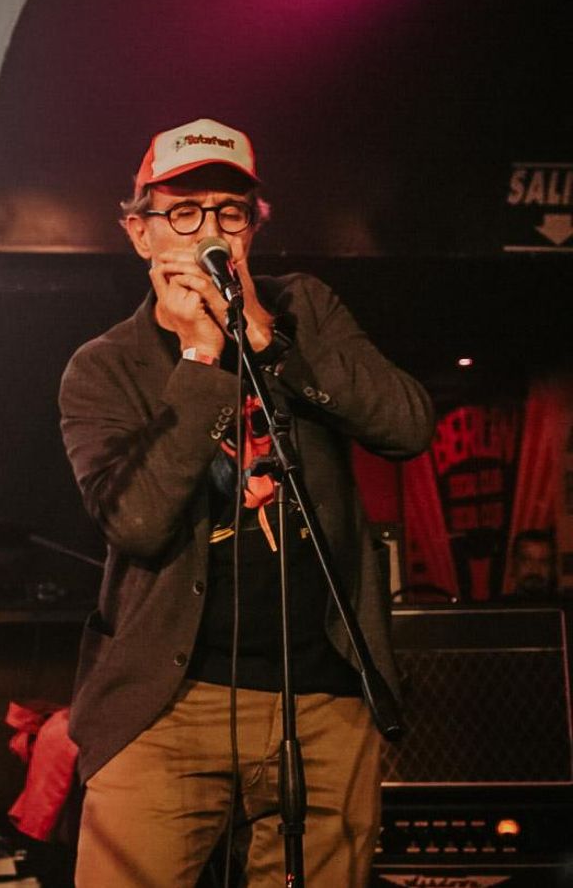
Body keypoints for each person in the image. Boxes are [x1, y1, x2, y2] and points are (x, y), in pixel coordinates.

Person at [57, 118, 435, 885]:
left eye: (229, 213)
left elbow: (407, 425)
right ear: (139, 233)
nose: (209, 232)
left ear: (253, 229)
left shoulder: (307, 309)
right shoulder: (104, 369)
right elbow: (137, 521)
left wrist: (266, 340)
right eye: (183, 212)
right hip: (166, 705)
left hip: (323, 698)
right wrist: (201, 358)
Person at [506, 528, 558, 597]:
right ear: (513, 565)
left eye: (543, 562)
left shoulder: (566, 606)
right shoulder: (497, 607)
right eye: (527, 561)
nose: (535, 570)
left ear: (552, 568)